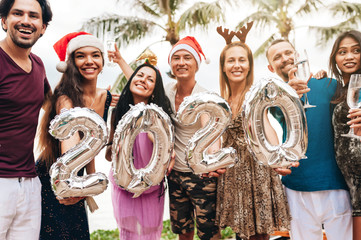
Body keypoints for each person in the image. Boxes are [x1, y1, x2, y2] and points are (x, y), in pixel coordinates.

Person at [266, 39, 352, 240]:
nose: (285, 59)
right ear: (271, 67)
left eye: (288, 53)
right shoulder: (273, 99)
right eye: (277, 57)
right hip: (296, 186)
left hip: (334, 183)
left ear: (297, 55)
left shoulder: (329, 84)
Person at [216, 27, 291, 240]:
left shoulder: (257, 94)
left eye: (242, 60)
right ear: (223, 66)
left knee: (259, 236)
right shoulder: (221, 100)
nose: (237, 65)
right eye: (231, 60)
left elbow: (267, 127)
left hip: (257, 172)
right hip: (233, 174)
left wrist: (278, 159)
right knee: (242, 235)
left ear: (249, 65)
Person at [35, 32, 112, 239]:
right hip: (54, 177)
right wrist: (71, 185)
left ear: (103, 61)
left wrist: (88, 184)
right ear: (71, 63)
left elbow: (93, 146)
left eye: (95, 55)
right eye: (81, 56)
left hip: (76, 179)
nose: (89, 61)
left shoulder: (105, 97)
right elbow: (71, 148)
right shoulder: (65, 99)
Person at [104, 55, 173, 239]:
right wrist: (116, 150)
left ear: (153, 91)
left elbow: (166, 152)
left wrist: (154, 135)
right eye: (140, 75)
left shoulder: (159, 117)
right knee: (126, 232)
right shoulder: (117, 112)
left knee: (150, 232)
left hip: (151, 186)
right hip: (123, 185)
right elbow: (108, 156)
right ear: (131, 80)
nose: (143, 80)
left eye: (150, 79)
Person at [0, 0, 52, 239]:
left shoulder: (39, 65)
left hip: (29, 183)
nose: (26, 20)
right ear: (3, 21)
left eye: (34, 16)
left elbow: (55, 107)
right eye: (17, 13)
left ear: (43, 27)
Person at [164, 36, 225, 240]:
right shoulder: (167, 92)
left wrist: (213, 160)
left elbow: (212, 133)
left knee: (209, 232)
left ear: (196, 64)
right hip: (175, 174)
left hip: (201, 175)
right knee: (183, 231)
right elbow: (141, 82)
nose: (181, 62)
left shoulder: (204, 95)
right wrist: (119, 60)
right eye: (177, 58)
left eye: (187, 58)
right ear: (171, 64)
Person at [329, 30, 361, 240]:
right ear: (335, 59)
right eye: (343, 52)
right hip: (348, 185)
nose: (349, 56)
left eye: (356, 50)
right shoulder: (339, 90)